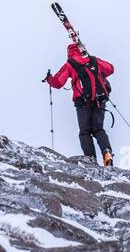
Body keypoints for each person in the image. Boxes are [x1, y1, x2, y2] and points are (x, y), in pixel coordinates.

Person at [44, 37, 115, 165]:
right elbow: (110, 68)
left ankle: (90, 161)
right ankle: (107, 152)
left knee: (85, 132)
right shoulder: (93, 60)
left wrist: (49, 79)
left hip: (82, 103)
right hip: (100, 100)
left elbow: (58, 82)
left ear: (69, 52)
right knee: (98, 129)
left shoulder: (70, 63)